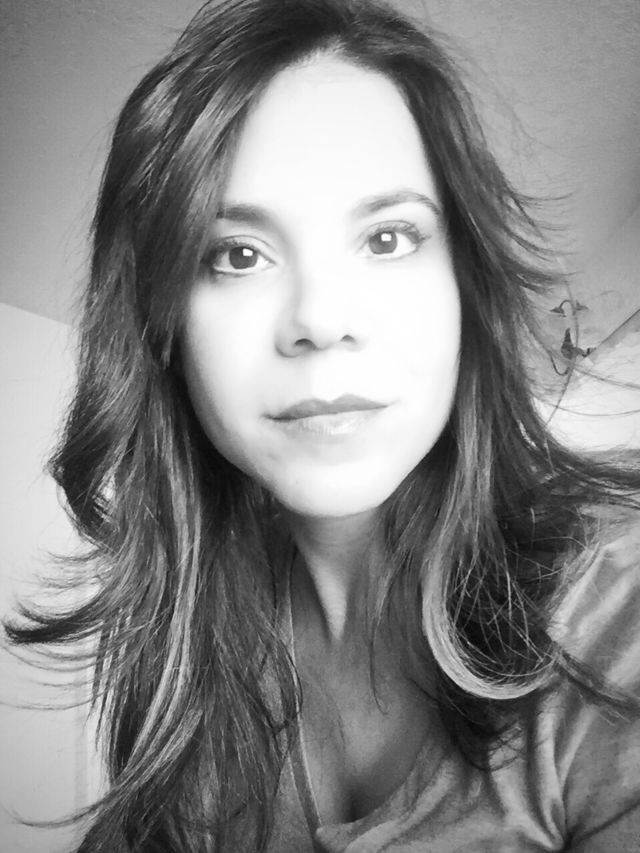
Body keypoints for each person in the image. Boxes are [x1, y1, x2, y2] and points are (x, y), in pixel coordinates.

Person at [6, 0, 640, 850]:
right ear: (165, 331)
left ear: (466, 284)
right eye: (238, 254)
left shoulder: (616, 609)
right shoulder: (190, 639)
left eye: (388, 237)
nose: (320, 318)